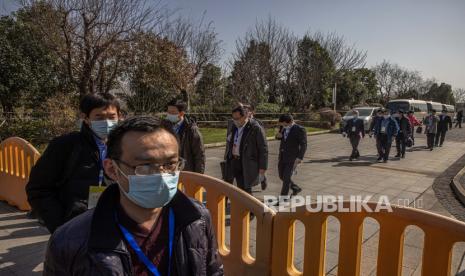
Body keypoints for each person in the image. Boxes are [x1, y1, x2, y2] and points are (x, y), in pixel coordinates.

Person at [43, 116, 224, 275]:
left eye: (170, 164)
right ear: (112, 169)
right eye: (145, 166)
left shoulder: (197, 218)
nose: (161, 176)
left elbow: (212, 271)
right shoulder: (69, 241)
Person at [26, 93, 121, 233]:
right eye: (99, 117)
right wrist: (59, 225)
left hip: (114, 223)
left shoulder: (125, 146)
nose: (106, 122)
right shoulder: (65, 145)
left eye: (112, 117)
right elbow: (38, 188)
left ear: (119, 116)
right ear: (86, 118)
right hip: (74, 226)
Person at [223, 106, 268, 194]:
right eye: (233, 118)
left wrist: (263, 167)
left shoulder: (255, 128)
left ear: (245, 117)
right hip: (234, 161)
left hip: (246, 162)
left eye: (237, 118)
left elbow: (263, 148)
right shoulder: (235, 126)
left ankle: (249, 207)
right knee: (231, 186)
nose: (235, 120)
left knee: (245, 189)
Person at [166, 99, 206, 173]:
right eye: (168, 112)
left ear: (181, 113)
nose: (169, 114)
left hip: (185, 172)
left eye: (172, 112)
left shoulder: (192, 130)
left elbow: (199, 155)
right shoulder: (165, 127)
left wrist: (198, 176)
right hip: (168, 171)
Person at [275, 114, 306, 196]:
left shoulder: (300, 129)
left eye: (283, 124)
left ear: (288, 122)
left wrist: (300, 157)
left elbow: (304, 144)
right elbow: (279, 137)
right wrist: (278, 136)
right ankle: (296, 188)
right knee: (281, 176)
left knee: (286, 178)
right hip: (282, 156)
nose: (281, 125)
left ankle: (283, 199)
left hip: (292, 158)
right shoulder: (283, 127)